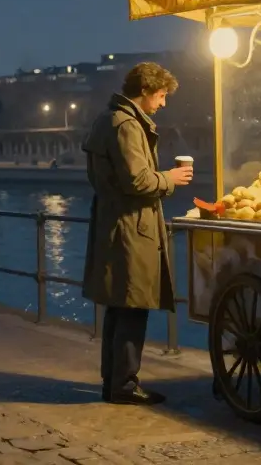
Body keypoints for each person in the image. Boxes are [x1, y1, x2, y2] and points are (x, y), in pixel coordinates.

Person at [82, 62, 193, 406]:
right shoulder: (127, 125)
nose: (163, 103)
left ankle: (113, 382)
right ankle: (125, 385)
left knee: (119, 307)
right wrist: (169, 179)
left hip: (115, 223)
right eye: (161, 96)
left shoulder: (107, 119)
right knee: (133, 307)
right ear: (145, 91)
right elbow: (137, 181)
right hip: (132, 227)